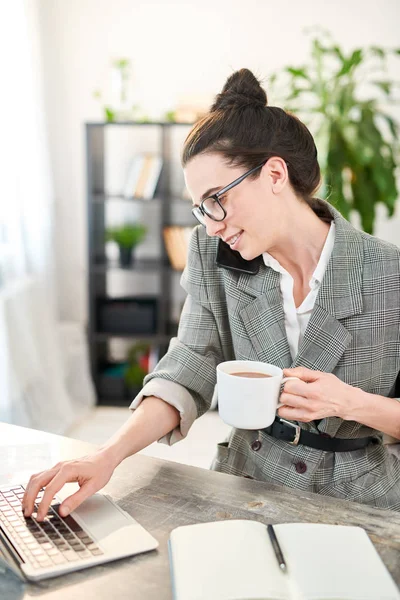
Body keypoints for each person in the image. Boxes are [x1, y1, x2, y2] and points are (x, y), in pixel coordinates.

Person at [23, 68, 400, 518]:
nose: (211, 224)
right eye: (200, 208)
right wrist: (106, 455)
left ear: (275, 174)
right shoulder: (213, 251)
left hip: (364, 503)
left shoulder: (388, 272)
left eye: (217, 198)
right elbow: (191, 363)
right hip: (246, 484)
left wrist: (351, 402)